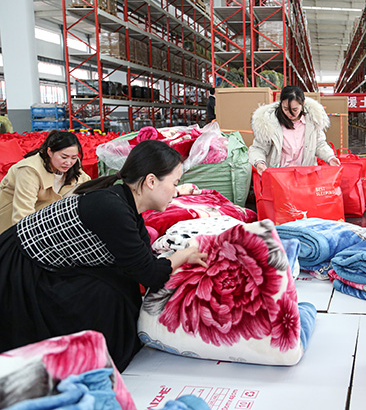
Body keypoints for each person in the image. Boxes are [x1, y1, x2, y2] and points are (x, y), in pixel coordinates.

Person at [0, 140, 209, 371]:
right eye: (175, 183)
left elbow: (142, 261)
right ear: (151, 181)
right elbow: (149, 274)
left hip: (44, 262)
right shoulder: (112, 209)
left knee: (121, 285)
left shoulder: (124, 203)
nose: (176, 191)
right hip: (21, 269)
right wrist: (185, 254)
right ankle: (85, 359)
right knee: (107, 296)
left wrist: (178, 257)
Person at [0, 131, 91, 233]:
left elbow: (88, 186)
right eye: (64, 157)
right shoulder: (29, 170)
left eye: (74, 157)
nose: (69, 162)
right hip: (9, 226)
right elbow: (22, 214)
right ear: (49, 152)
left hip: (43, 223)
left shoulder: (73, 167)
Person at [249, 85, 340, 173]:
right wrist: (259, 162)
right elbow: (258, 148)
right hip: (278, 177)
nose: (290, 114)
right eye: (285, 109)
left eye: (295, 109)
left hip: (305, 175)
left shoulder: (312, 121)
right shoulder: (269, 123)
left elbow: (319, 144)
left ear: (302, 104)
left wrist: (330, 157)